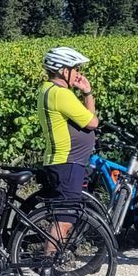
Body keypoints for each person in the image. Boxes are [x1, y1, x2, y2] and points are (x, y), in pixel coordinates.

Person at [36, 47, 99, 251]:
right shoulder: (61, 94)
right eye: (75, 68)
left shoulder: (47, 89)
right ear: (64, 71)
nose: (78, 73)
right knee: (64, 220)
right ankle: (49, 270)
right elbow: (92, 122)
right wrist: (88, 92)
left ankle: (50, 266)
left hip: (62, 161)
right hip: (68, 162)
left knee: (64, 216)